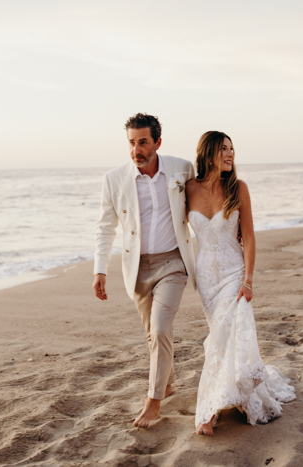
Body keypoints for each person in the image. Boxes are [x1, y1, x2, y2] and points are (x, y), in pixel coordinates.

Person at [185, 131, 295, 436]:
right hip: (206, 279)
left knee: (228, 335)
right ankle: (226, 395)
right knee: (219, 338)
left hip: (235, 273)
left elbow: (248, 237)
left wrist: (248, 279)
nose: (230, 155)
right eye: (224, 149)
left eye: (232, 149)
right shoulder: (188, 189)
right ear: (208, 153)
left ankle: (209, 411)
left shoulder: (238, 188)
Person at [92, 113, 196, 428]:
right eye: (132, 143)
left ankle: (153, 402)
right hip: (136, 268)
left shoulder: (182, 169)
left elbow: (201, 207)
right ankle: (167, 382)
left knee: (161, 328)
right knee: (153, 333)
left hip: (173, 263)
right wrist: (100, 269)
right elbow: (105, 227)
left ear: (157, 143)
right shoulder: (114, 179)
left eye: (143, 142)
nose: (136, 150)